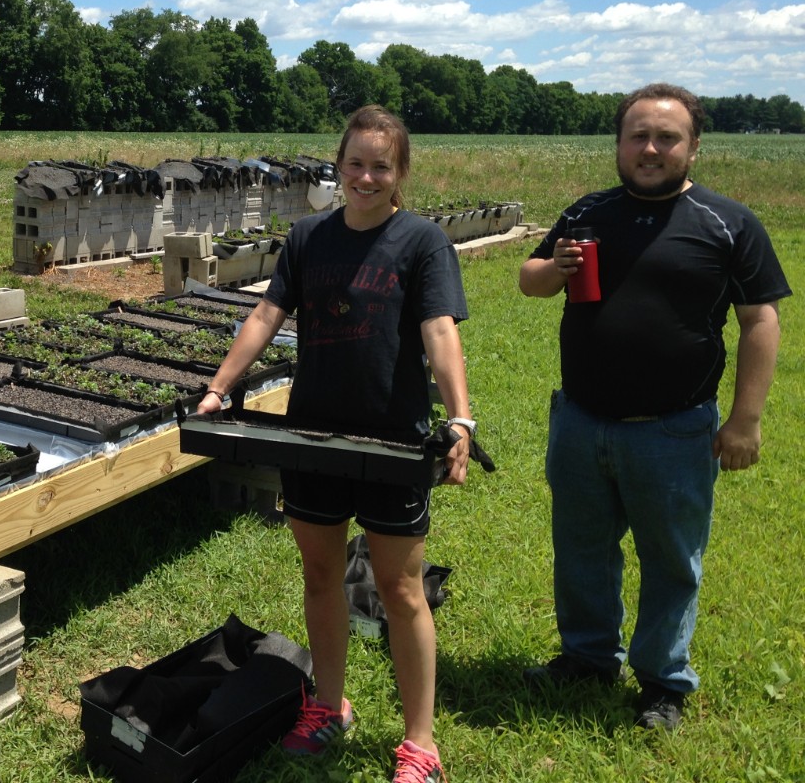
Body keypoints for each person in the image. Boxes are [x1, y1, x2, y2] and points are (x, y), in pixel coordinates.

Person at [196, 104, 473, 783]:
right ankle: (327, 706)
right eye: (356, 163)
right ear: (338, 165)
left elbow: (439, 331)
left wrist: (461, 417)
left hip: (392, 441)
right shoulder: (310, 237)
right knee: (320, 576)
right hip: (313, 433)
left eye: (381, 165)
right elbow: (266, 313)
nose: (367, 176)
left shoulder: (420, 242)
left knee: (399, 589)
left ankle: (420, 743)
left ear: (400, 172)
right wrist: (219, 386)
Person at [518, 82, 790, 731]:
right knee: (582, 549)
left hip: (673, 429)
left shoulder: (729, 223)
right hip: (581, 422)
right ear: (618, 144)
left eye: (666, 137)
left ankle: (664, 680)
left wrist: (745, 420)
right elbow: (530, 282)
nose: (650, 148)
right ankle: (588, 657)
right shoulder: (587, 211)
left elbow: (761, 322)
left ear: (693, 148)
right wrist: (555, 266)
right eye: (638, 135)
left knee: (671, 559)